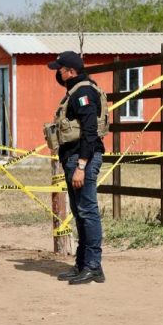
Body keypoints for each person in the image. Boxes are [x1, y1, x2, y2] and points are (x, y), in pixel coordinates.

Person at [47, 51, 106, 284]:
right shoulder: (75, 91)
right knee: (80, 213)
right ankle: (82, 264)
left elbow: (90, 131)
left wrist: (82, 165)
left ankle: (93, 266)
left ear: (70, 71)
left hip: (83, 159)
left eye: (59, 69)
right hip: (73, 158)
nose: (58, 74)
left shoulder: (83, 92)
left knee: (88, 213)